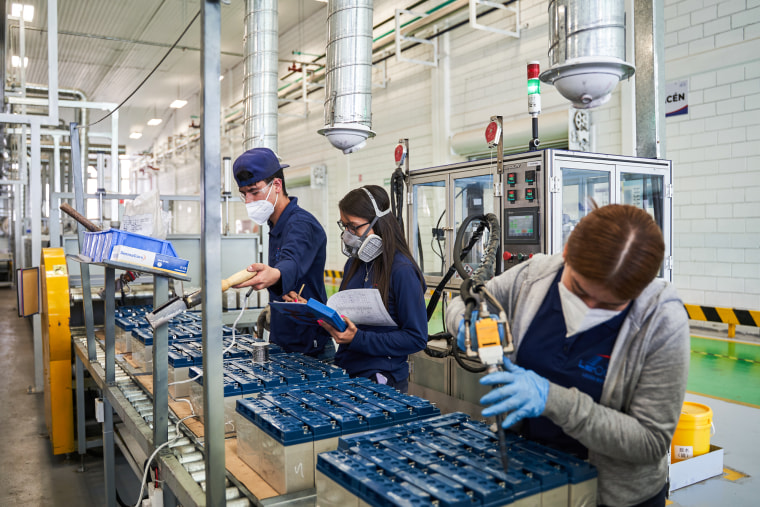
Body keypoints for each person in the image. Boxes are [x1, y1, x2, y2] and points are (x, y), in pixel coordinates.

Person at [446, 204, 689, 507]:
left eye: (607, 305)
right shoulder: (533, 277)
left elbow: (650, 441)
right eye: (578, 289)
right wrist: (463, 322)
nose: (587, 306)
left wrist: (552, 399)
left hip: (611, 496)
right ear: (567, 253)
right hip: (527, 477)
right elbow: (464, 302)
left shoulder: (662, 322)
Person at [301, 185, 427, 392]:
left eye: (354, 226)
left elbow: (416, 338)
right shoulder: (354, 264)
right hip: (347, 371)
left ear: (380, 223)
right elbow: (345, 317)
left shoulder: (401, 270)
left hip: (382, 380)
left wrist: (357, 338)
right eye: (344, 227)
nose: (348, 235)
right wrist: (308, 310)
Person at [232, 147, 334, 360]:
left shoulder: (301, 224)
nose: (249, 201)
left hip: (310, 347)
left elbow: (292, 262)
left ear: (276, 185)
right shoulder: (276, 224)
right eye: (244, 195)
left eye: (254, 191)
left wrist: (275, 275)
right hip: (284, 339)